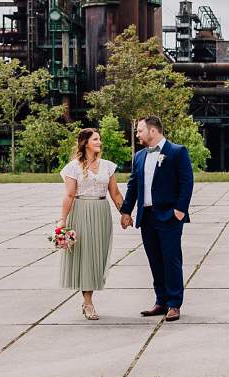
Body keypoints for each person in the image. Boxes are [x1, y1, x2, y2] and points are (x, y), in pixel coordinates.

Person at [120, 115, 194, 322]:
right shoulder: (140, 156)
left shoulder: (177, 152)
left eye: (139, 130)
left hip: (169, 216)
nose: (137, 134)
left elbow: (187, 182)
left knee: (171, 260)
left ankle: (173, 304)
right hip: (147, 217)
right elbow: (133, 185)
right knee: (155, 260)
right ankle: (160, 301)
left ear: (153, 131)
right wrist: (126, 211)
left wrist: (179, 211)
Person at [58, 127, 123, 320]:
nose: (99, 142)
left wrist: (125, 213)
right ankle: (88, 302)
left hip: (101, 212)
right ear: (86, 143)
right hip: (81, 212)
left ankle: (88, 299)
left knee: (98, 256)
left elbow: (116, 193)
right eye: (95, 139)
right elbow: (69, 195)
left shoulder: (108, 166)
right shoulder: (72, 168)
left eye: (99, 139)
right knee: (86, 257)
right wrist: (62, 220)